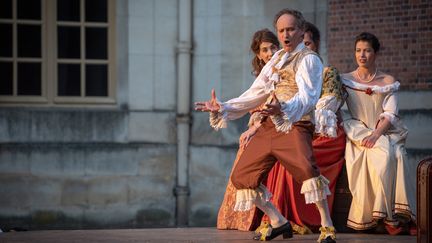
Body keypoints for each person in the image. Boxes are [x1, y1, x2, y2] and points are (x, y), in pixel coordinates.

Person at [196, 9, 336, 243]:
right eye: (281, 30)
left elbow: (309, 97)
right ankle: (278, 221)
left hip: (295, 123)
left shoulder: (308, 58)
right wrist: (223, 107)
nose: (285, 34)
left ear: (302, 31)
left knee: (307, 171)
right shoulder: (277, 58)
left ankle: (327, 226)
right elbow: (257, 92)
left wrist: (284, 109)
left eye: (290, 29)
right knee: (242, 176)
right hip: (270, 125)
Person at [260, 21, 346, 233]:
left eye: (308, 43)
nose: (304, 47)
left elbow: (327, 102)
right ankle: (279, 219)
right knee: (276, 153)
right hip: (292, 123)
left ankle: (324, 223)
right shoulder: (289, 68)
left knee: (300, 160)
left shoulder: (326, 71)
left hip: (322, 130)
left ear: (315, 45)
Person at [341, 32, 416, 235]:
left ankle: (402, 216)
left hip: (386, 130)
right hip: (358, 129)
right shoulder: (345, 79)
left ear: (376, 53)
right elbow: (331, 104)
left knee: (398, 155)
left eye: (366, 50)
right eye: (358, 50)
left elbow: (390, 114)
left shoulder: (387, 80)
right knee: (383, 155)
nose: (362, 55)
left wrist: (376, 134)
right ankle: (384, 217)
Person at [217, 28, 279, 231]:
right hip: (259, 127)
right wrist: (223, 107)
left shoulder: (283, 71)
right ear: (259, 54)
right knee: (242, 165)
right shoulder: (261, 76)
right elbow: (248, 101)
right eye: (265, 50)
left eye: (273, 47)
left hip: (278, 126)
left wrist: (256, 126)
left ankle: (270, 219)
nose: (270, 53)